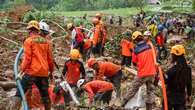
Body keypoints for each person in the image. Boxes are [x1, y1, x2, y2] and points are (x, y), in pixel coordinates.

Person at [11, 20, 54, 110]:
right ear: (38, 30)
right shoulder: (46, 42)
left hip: (31, 73)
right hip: (43, 73)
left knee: (19, 93)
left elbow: (27, 59)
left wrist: (21, 72)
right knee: (45, 96)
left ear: (29, 30)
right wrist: (51, 72)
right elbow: (50, 60)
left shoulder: (29, 41)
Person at [121, 31, 157, 110]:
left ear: (135, 40)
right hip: (152, 73)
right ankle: (149, 108)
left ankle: (122, 105)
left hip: (142, 73)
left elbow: (134, 62)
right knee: (150, 91)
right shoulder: (150, 46)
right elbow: (154, 58)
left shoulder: (136, 50)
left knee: (133, 88)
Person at [163, 45, 192, 110]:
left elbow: (166, 81)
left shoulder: (171, 70)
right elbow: (189, 83)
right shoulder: (188, 69)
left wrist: (161, 73)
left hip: (170, 98)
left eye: (171, 54)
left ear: (174, 56)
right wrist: (189, 95)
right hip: (181, 98)